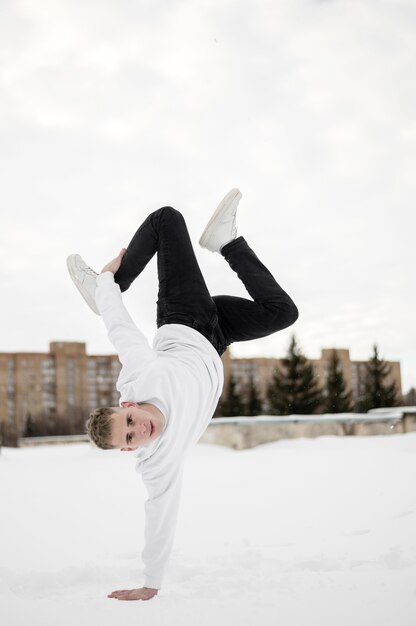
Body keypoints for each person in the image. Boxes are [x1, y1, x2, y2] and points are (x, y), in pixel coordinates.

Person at [66, 188, 298, 602]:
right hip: (217, 335)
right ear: (129, 450)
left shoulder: (142, 372)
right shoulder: (159, 462)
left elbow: (120, 328)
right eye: (132, 437)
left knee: (166, 219)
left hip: (184, 316)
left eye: (131, 421)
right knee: (283, 313)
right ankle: (226, 242)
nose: (142, 429)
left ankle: (105, 286)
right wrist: (150, 584)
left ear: (128, 405)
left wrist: (106, 284)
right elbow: (159, 515)